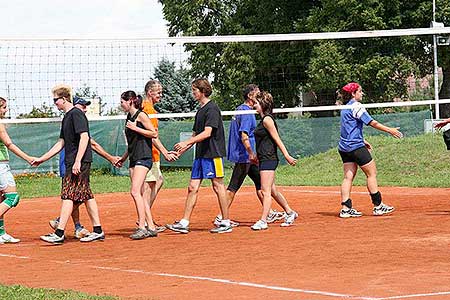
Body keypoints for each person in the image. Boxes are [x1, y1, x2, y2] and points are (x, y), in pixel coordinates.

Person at [34, 84, 105, 244]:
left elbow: (85, 137)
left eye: (55, 100)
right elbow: (61, 142)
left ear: (64, 98)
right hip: (73, 160)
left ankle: (59, 232)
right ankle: (98, 230)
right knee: (86, 195)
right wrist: (42, 158)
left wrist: (78, 160)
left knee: (68, 195)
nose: (54, 103)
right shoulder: (67, 117)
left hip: (78, 161)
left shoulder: (76, 114)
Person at [213, 84, 285, 228]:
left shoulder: (241, 109)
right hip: (245, 155)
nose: (259, 96)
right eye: (257, 94)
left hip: (248, 156)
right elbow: (244, 134)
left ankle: (269, 212)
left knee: (261, 185)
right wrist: (251, 153)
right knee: (233, 186)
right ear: (250, 96)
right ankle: (221, 217)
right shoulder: (246, 112)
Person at [166, 78, 232, 234]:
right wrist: (182, 149)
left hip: (213, 153)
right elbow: (196, 134)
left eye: (195, 90)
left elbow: (207, 133)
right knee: (192, 187)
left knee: (217, 186)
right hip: (201, 154)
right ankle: (184, 222)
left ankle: (226, 221)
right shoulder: (200, 110)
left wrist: (186, 142)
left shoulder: (212, 108)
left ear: (202, 91)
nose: (192, 93)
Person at [49, 96, 121, 239]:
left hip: (76, 161)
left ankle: (65, 227)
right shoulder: (73, 116)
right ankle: (77, 226)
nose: (85, 109)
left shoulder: (77, 118)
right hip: (71, 161)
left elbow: (89, 142)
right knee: (77, 194)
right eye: (83, 105)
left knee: (74, 195)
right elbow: (86, 143)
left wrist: (110, 158)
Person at [337, 82, 403, 218]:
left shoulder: (345, 107)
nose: (362, 94)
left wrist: (363, 140)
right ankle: (378, 206)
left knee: (348, 177)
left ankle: (345, 209)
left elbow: (348, 127)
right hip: (355, 147)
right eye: (360, 91)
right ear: (353, 94)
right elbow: (371, 122)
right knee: (371, 173)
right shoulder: (357, 106)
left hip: (344, 147)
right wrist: (389, 130)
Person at [251, 91, 298, 230]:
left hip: (269, 158)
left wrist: (287, 156)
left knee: (265, 191)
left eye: (256, 103)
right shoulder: (263, 119)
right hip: (263, 158)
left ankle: (263, 220)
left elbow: (277, 139)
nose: (254, 105)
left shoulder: (267, 120)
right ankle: (290, 212)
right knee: (272, 190)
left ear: (263, 104)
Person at [117, 90, 159, 240]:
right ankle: (151, 227)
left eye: (122, 101)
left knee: (134, 192)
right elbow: (131, 144)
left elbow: (153, 134)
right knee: (139, 194)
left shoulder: (141, 115)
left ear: (130, 101)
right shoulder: (129, 117)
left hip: (144, 157)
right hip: (133, 158)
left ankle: (142, 227)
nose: (121, 104)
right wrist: (122, 159)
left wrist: (136, 128)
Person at [141, 80, 178, 233]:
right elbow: (152, 136)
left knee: (158, 181)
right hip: (148, 154)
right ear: (150, 92)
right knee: (148, 186)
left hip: (153, 154)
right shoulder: (146, 108)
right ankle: (143, 220)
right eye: (158, 92)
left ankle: (144, 217)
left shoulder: (150, 109)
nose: (161, 95)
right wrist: (165, 152)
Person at [0, 97, 36, 243]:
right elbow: (9, 144)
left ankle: (1, 233)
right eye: (3, 107)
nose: (5, 109)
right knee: (12, 197)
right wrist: (27, 158)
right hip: (1, 166)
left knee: (1, 199)